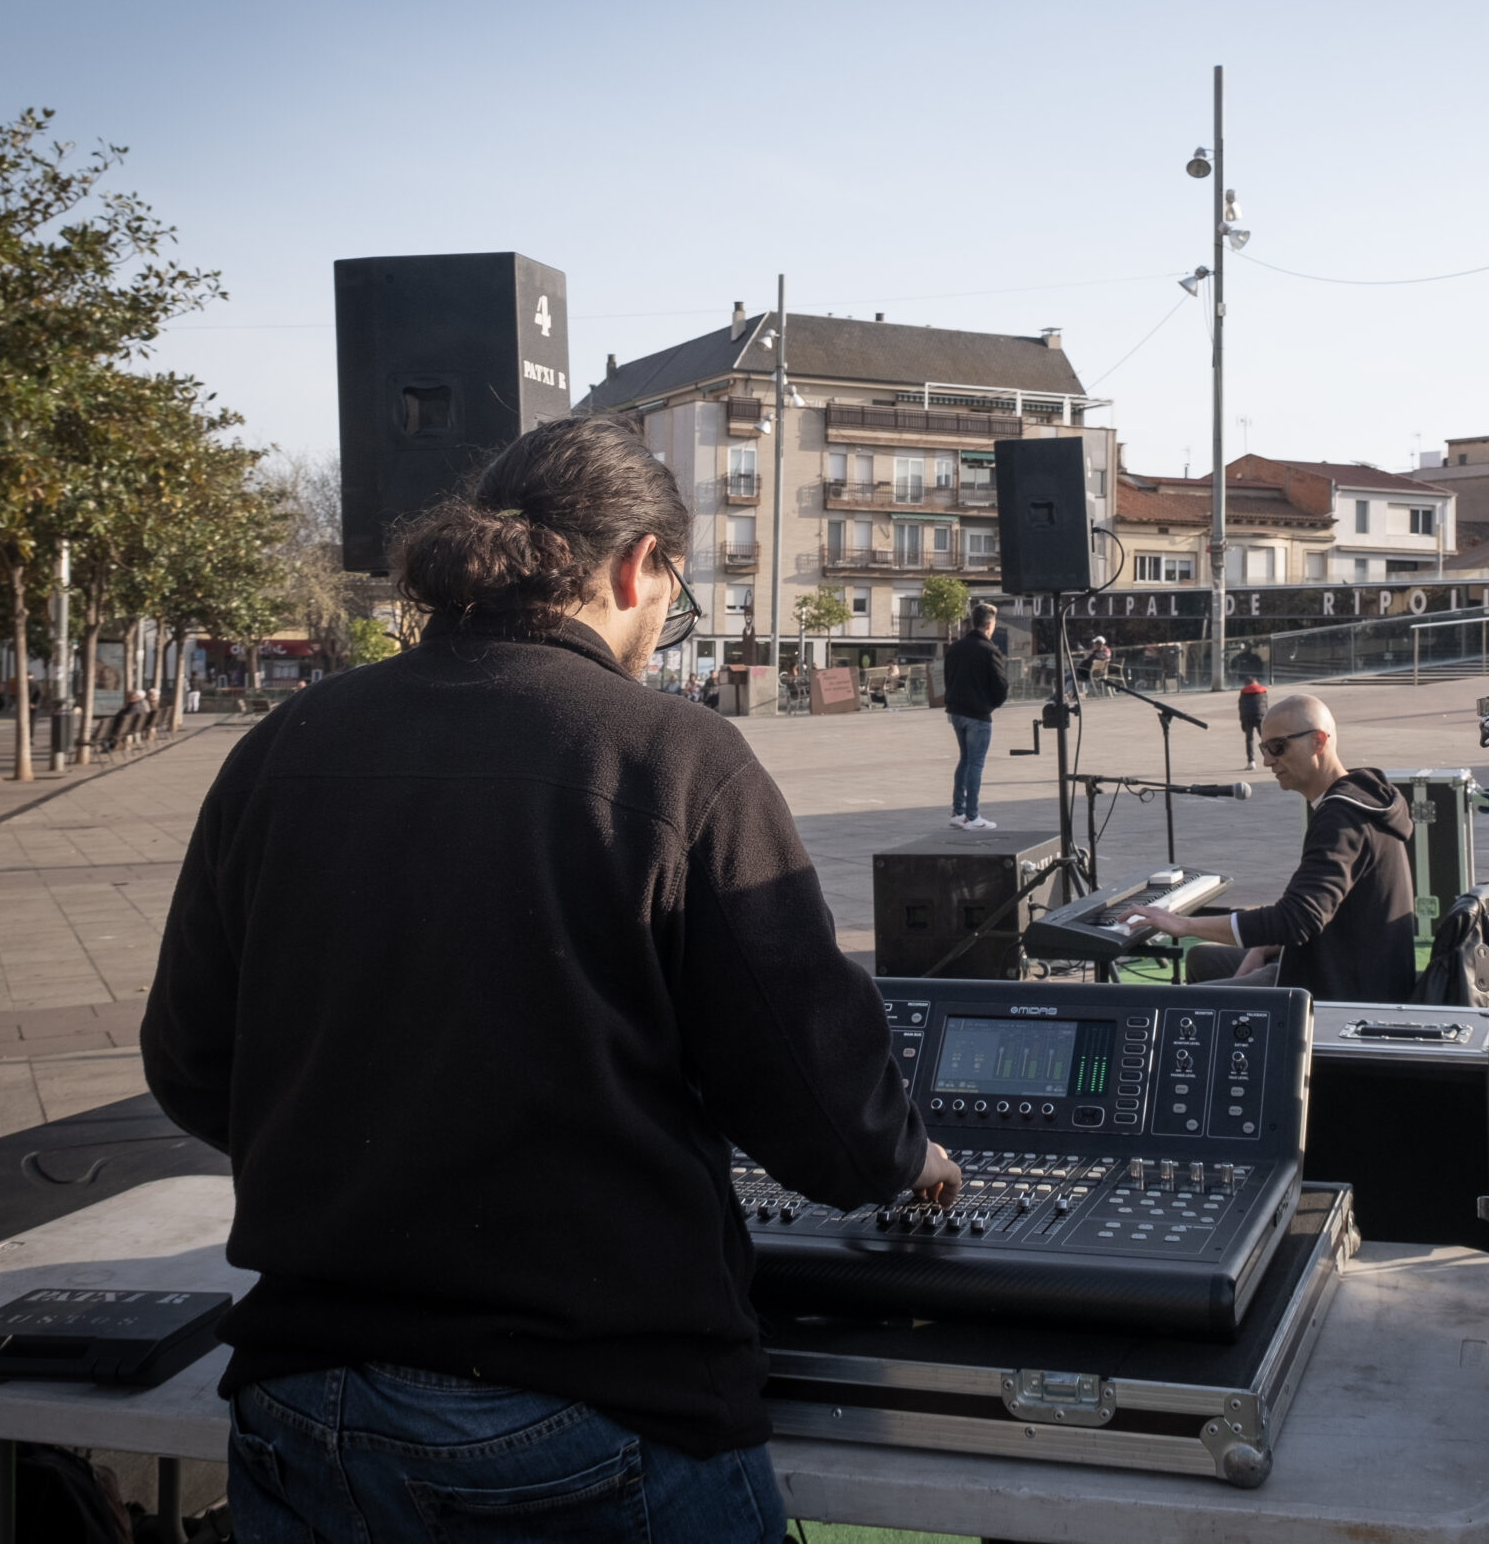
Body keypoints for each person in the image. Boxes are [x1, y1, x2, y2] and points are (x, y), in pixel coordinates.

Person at [140, 417, 959, 1544]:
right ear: (637, 566)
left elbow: (190, 1062)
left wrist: (370, 1151)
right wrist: (903, 1152)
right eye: (677, 584)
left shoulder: (284, 743)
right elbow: (812, 1093)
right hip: (583, 1411)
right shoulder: (673, 754)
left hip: (301, 1398)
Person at [1126, 693, 1417, 1003]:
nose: (1267, 761)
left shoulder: (1342, 817)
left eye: (1278, 747)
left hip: (1341, 989)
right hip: (1342, 962)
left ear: (1318, 741)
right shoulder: (1358, 796)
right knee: (1201, 959)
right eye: (1264, 748)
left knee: (1174, 1006)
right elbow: (1319, 911)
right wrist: (1263, 947)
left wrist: (1183, 924)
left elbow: (1296, 920)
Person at [943, 600, 1009, 831]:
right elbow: (1001, 686)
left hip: (956, 711)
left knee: (964, 760)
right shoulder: (990, 651)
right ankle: (972, 816)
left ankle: (957, 811)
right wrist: (990, 705)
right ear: (990, 625)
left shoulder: (956, 648)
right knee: (975, 764)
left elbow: (947, 678)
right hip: (978, 714)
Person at [1237, 675, 1269, 769]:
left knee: (1249, 739)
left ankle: (1251, 761)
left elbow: (1241, 707)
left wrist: (1242, 721)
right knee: (1264, 739)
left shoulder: (1243, 692)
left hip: (1247, 717)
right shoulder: (1263, 691)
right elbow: (1265, 705)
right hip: (1260, 716)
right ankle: (1271, 758)